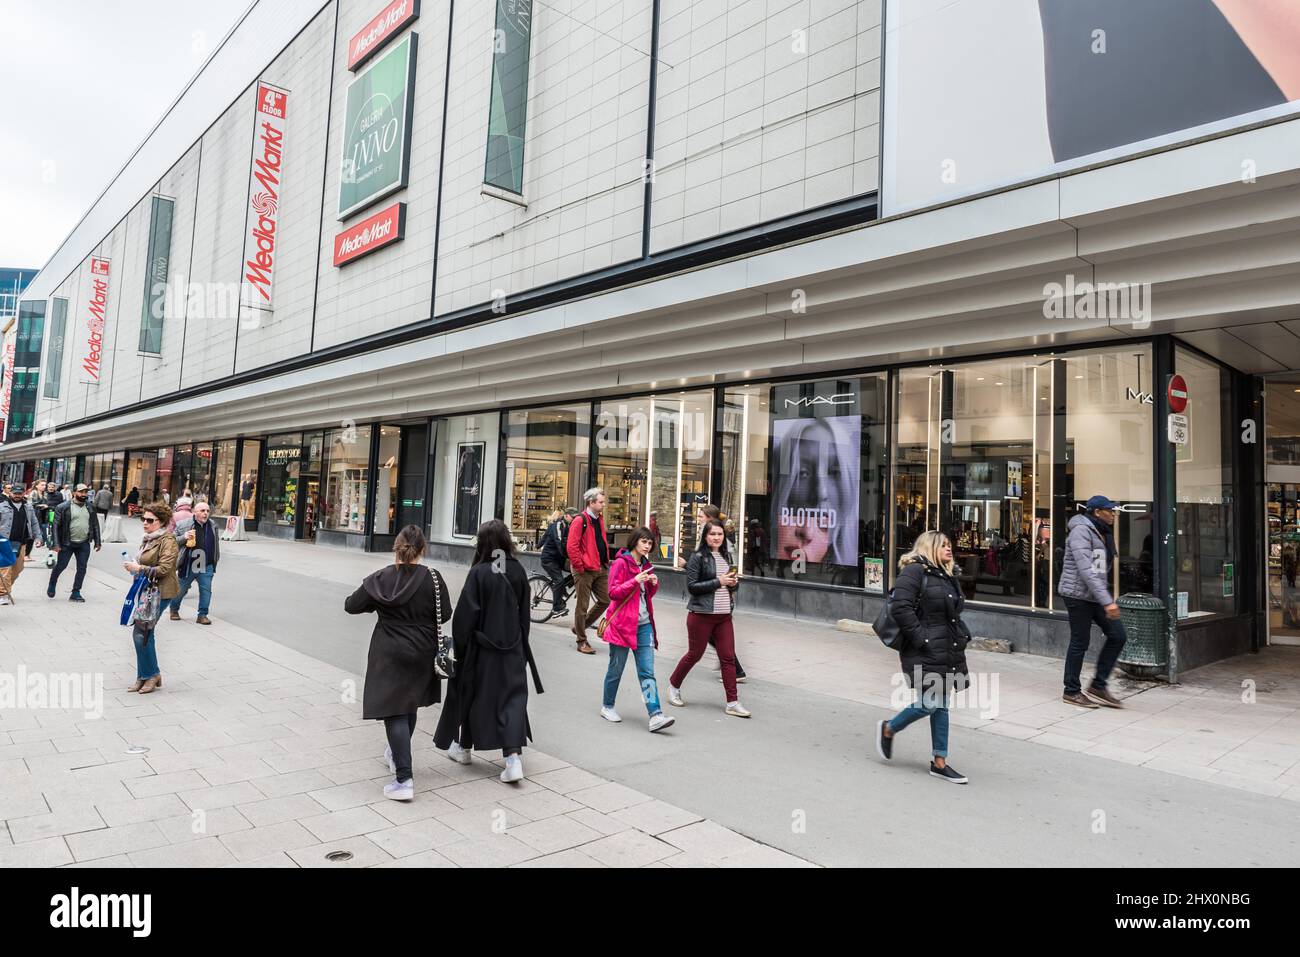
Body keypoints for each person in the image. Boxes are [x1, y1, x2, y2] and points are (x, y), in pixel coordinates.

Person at [345, 525, 453, 801]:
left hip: (388, 652)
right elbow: (446, 614)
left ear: (397, 548)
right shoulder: (433, 577)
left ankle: (404, 779)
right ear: (422, 549)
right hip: (421, 650)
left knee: (394, 711)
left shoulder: (381, 578)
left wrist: (378, 605)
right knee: (409, 704)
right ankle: (396, 755)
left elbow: (351, 604)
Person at [434, 519, 543, 784]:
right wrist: (520, 645)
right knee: (512, 700)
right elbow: (524, 617)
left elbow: (464, 618)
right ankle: (512, 757)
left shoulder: (479, 572)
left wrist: (457, 648)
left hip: (481, 651)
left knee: (473, 695)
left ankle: (464, 747)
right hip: (513, 648)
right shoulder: (517, 571)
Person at [875, 530, 972, 784]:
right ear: (929, 547)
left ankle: (939, 761)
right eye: (943, 545)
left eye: (950, 545)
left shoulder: (948, 575)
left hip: (948, 647)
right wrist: (922, 639)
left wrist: (961, 635)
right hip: (924, 648)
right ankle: (889, 727)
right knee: (930, 702)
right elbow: (901, 607)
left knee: (941, 704)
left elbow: (953, 613)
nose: (949, 549)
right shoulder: (914, 571)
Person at [668, 520, 750, 717]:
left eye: (720, 534)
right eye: (712, 534)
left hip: (723, 616)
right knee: (694, 654)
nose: (716, 537)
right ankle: (673, 686)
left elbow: (730, 586)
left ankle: (732, 702)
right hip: (701, 615)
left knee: (728, 657)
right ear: (705, 536)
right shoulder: (697, 557)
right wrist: (719, 581)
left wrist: (732, 583)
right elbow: (692, 587)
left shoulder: (725, 555)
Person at [600, 527, 675, 733]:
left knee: (647, 672)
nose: (647, 546)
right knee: (616, 669)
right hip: (622, 626)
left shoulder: (646, 565)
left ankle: (655, 714)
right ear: (635, 542)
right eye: (644, 542)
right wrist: (634, 580)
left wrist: (653, 583)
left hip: (643, 626)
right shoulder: (621, 564)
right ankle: (607, 706)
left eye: (650, 543)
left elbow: (646, 596)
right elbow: (612, 593)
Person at [1058, 495, 1128, 709]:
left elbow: (1098, 571)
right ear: (1097, 512)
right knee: (1080, 641)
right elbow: (1086, 570)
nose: (1114, 514)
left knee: (1118, 635)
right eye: (1110, 510)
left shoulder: (1101, 532)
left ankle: (1098, 685)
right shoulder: (1081, 531)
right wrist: (1108, 601)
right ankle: (1071, 691)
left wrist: (1104, 598)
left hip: (1094, 595)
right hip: (1077, 594)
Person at [122, 503, 179, 694]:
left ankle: (151, 675)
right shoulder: (148, 538)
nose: (144, 523)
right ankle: (145, 675)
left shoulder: (168, 540)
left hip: (160, 592)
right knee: (145, 632)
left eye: (149, 520)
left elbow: (164, 569)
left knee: (142, 632)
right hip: (146, 590)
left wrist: (139, 569)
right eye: (143, 519)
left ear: (161, 522)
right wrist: (135, 566)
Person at [566, 487, 610, 655]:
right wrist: (579, 566)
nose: (603, 504)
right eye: (600, 502)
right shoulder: (580, 520)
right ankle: (581, 641)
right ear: (591, 503)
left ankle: (580, 627)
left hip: (600, 566)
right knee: (582, 606)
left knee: (606, 599)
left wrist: (604, 561)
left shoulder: (599, 519)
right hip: (584, 569)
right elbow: (572, 546)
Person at [47, 484, 101, 602]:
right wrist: (56, 544)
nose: (83, 495)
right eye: (81, 492)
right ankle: (52, 582)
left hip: (84, 543)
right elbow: (55, 526)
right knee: (62, 565)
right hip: (67, 542)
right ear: (74, 493)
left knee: (82, 568)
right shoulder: (63, 507)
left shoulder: (90, 507)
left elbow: (95, 524)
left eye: (86, 492)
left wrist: (98, 541)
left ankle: (76, 592)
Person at [169, 500, 219, 624]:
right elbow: (170, 541)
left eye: (207, 511)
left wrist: (214, 561)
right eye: (202, 511)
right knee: (180, 590)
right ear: (194, 512)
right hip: (188, 564)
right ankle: (174, 609)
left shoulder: (213, 525)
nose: (206, 513)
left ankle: (202, 615)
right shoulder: (183, 525)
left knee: (206, 590)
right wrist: (184, 537)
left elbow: (215, 544)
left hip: (206, 564)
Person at [0, 484, 43, 605]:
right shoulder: (2, 506)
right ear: (10, 493)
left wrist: (38, 537)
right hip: (5, 542)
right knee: (6, 569)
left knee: (18, 568)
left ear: (24, 494)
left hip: (22, 542)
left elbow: (34, 523)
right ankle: (3, 594)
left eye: (20, 493)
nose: (17, 496)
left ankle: (4, 587)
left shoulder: (28, 507)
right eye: (15, 493)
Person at [538, 507, 571, 617]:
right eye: (573, 516)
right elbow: (559, 541)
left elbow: (544, 537)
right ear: (565, 516)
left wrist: (539, 545)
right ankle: (556, 608)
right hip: (549, 559)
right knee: (559, 580)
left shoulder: (566, 525)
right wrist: (567, 555)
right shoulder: (557, 525)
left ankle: (562, 590)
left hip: (558, 558)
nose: (575, 518)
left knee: (576, 570)